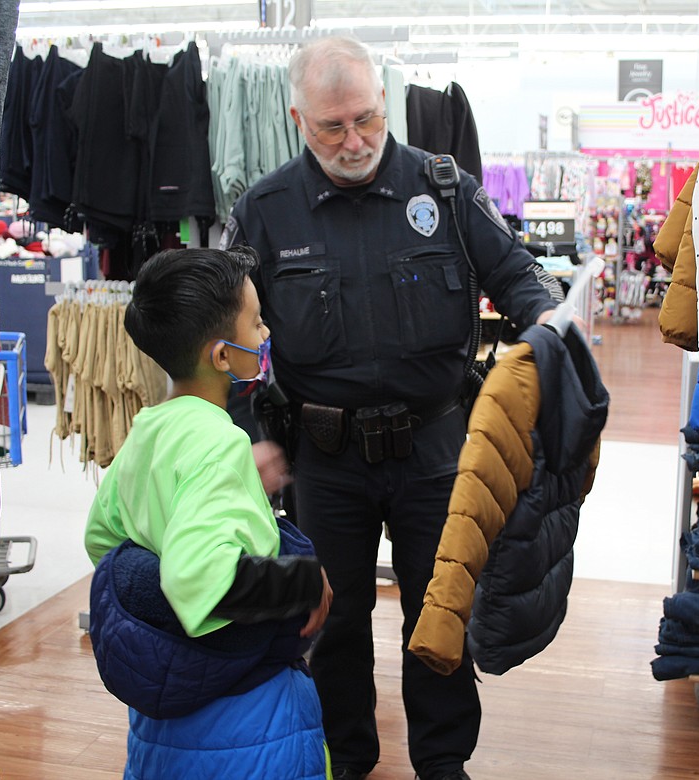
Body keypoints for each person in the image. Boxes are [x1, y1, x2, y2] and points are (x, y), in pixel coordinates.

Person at [221, 35, 561, 780]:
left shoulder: (443, 190)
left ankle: (443, 764)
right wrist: (248, 433)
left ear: (386, 104)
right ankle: (349, 758)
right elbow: (226, 340)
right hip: (325, 460)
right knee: (330, 619)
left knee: (441, 613)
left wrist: (547, 333)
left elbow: (521, 278)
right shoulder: (264, 212)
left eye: (368, 119)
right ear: (296, 119)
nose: (355, 141)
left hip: (436, 450)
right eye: (332, 126)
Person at [83, 246, 333, 779]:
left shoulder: (148, 430)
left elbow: (103, 541)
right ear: (222, 356)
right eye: (256, 322)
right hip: (247, 730)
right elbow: (202, 576)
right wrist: (303, 582)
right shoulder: (220, 442)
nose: (265, 335)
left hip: (162, 729)